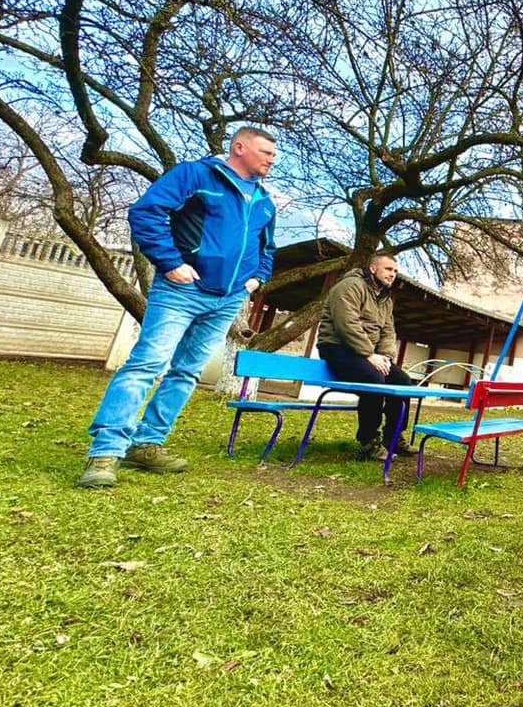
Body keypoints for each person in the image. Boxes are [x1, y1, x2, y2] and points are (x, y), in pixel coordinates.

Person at [77, 127, 278, 488]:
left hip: (227, 298)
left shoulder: (264, 200)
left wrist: (256, 278)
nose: (271, 159)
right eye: (265, 151)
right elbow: (147, 212)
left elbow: (267, 249)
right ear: (239, 147)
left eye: (272, 154)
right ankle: (106, 450)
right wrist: (170, 262)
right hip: (181, 290)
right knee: (147, 364)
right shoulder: (196, 175)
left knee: (186, 372)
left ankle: (147, 444)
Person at [317, 253, 414, 461]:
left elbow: (388, 332)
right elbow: (346, 324)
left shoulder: (385, 300)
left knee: (403, 381)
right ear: (373, 268)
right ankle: (369, 441)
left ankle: (393, 437)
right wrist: (369, 354)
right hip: (337, 347)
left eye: (395, 271)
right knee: (374, 380)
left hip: (368, 354)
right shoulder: (350, 286)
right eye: (388, 269)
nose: (392, 275)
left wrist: (386, 356)